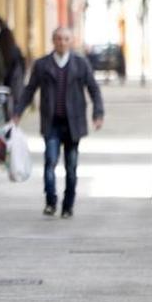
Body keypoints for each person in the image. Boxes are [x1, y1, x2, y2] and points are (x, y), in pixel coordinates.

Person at [13, 27, 104, 218]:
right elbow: (29, 90)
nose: (62, 42)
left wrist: (98, 113)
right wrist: (18, 112)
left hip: (74, 123)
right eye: (58, 39)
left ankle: (68, 205)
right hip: (51, 122)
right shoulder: (42, 65)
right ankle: (51, 201)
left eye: (65, 39)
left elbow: (94, 89)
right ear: (53, 41)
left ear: (71, 41)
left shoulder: (80, 64)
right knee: (50, 162)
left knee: (71, 167)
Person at [0, 25, 25, 108]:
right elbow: (21, 66)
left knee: (3, 104)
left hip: (1, 82)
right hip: (14, 82)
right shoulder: (16, 50)